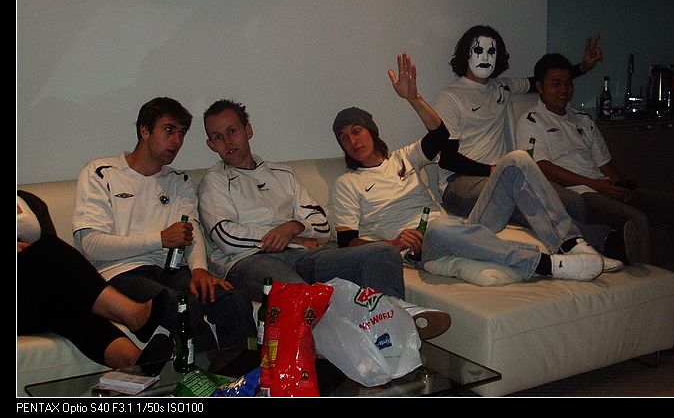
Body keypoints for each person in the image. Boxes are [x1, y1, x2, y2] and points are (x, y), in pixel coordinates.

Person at [331, 53, 622, 284]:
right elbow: (346, 242)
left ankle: (571, 244)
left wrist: (413, 98)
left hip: (461, 228)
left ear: (372, 132)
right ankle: (550, 265)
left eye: (357, 131)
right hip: (425, 247)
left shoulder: (403, 158)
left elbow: (440, 135)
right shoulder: (347, 183)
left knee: (517, 159)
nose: (352, 141)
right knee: (440, 229)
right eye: (344, 138)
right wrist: (392, 243)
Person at [196, 98, 451, 340]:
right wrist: (290, 237)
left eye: (232, 131)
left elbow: (321, 224)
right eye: (218, 137)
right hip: (248, 262)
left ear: (248, 130)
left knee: (382, 252)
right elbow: (226, 237)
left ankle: (394, 311)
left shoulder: (282, 174)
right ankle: (370, 333)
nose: (227, 141)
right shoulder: (214, 181)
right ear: (210, 145)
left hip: (302, 255)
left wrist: (294, 226)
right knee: (302, 296)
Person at [73, 97, 256, 353]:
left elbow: (192, 233)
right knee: (183, 305)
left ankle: (244, 373)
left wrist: (200, 270)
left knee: (233, 298)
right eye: (169, 130)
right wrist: (159, 239)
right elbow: (90, 245)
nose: (177, 141)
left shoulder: (178, 181)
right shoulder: (101, 172)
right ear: (145, 131)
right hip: (120, 272)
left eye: (181, 133)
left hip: (172, 271)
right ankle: (206, 375)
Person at [515, 53, 674, 297]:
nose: (564, 90)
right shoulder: (531, 121)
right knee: (636, 220)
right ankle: (648, 297)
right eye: (556, 83)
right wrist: (597, 186)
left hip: (603, 186)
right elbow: (542, 167)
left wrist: (620, 186)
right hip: (580, 194)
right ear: (540, 87)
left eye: (568, 83)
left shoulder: (582, 119)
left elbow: (604, 164)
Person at [433, 25, 603, 220]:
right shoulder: (450, 97)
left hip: (503, 176)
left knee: (572, 201)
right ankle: (587, 236)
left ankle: (601, 235)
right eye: (478, 50)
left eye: (491, 52)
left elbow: (540, 81)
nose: (485, 57)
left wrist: (583, 67)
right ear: (466, 53)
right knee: (529, 203)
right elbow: (447, 159)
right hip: (459, 183)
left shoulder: (502, 86)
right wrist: (492, 170)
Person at [17, 189, 171, 370]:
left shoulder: (29, 201)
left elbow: (48, 256)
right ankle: (133, 315)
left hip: (33, 297)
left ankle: (136, 363)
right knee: (49, 250)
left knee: (69, 306)